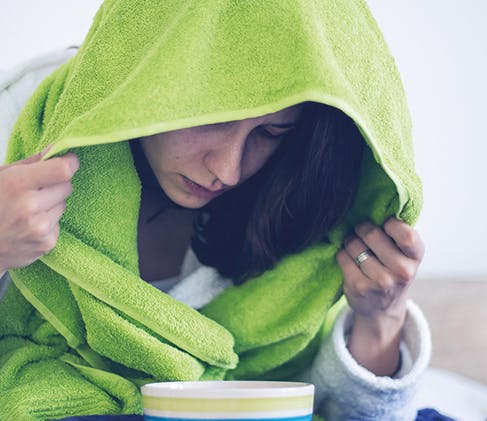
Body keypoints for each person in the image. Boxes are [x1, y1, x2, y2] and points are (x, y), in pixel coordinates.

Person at [0, 1, 430, 420]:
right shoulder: (16, 124)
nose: (227, 170)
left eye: (271, 132)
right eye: (210, 119)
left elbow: (333, 408)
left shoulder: (298, 206)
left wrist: (381, 319)